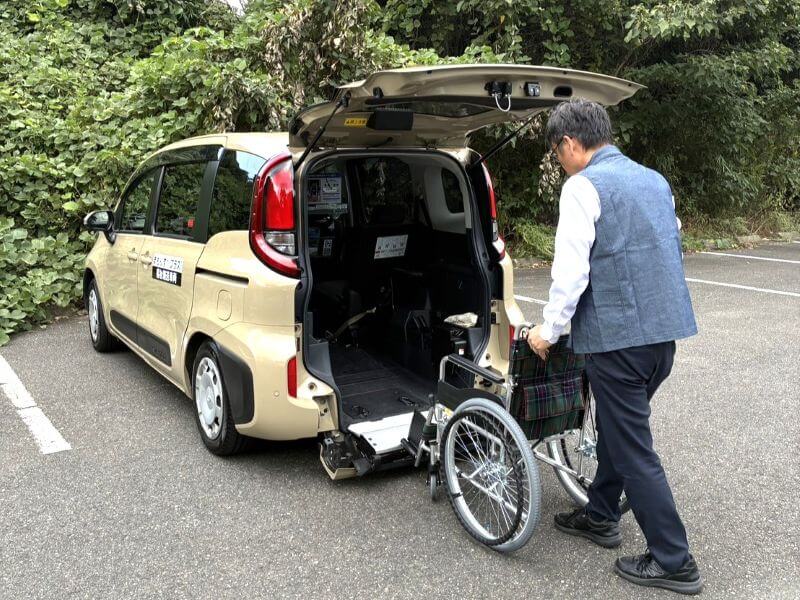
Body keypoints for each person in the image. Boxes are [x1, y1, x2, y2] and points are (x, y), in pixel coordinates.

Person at [526, 99, 704, 595]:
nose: (560, 161)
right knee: (618, 431)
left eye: (556, 151)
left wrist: (548, 330)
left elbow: (570, 272)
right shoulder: (654, 180)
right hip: (662, 340)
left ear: (569, 143)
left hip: (618, 343)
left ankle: (674, 560)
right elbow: (666, 244)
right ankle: (601, 514)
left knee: (633, 448)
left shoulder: (582, 186)